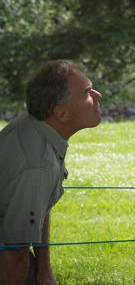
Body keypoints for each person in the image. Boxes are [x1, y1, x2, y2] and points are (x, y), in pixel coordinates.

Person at [0, 60, 102, 285]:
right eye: (86, 92)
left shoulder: (35, 127)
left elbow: (38, 205)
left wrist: (44, 271)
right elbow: (13, 257)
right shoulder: (37, 166)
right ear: (61, 113)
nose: (98, 95)